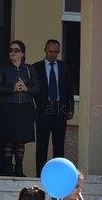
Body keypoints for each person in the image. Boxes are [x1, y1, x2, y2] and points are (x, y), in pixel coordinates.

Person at [0, 40, 40, 177]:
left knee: (21, 140)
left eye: (16, 50)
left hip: (25, 106)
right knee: (8, 139)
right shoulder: (3, 68)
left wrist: (26, 88)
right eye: (11, 50)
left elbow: (38, 89)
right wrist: (12, 89)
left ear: (22, 53)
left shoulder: (29, 69)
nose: (13, 52)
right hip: (9, 105)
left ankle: (19, 169)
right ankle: (8, 168)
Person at [32, 39, 75, 178]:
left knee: (59, 145)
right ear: (45, 50)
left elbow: (69, 89)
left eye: (56, 52)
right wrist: (34, 109)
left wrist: (70, 108)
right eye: (50, 51)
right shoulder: (36, 67)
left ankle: (57, 175)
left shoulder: (64, 67)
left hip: (60, 109)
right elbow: (33, 91)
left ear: (59, 52)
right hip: (43, 110)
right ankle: (40, 175)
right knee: (42, 144)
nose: (53, 54)